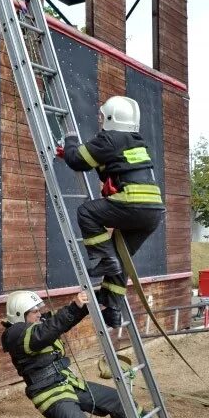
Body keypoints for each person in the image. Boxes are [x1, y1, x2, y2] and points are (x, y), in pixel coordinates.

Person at [1, 290, 146, 418]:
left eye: (39, 310)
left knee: (117, 399)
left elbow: (59, 321)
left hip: (69, 383)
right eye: (34, 312)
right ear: (19, 315)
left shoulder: (38, 324)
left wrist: (95, 297)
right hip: (50, 394)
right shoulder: (15, 334)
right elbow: (48, 330)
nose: (39, 315)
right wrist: (74, 307)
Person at [58, 96, 165, 328]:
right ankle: (112, 310)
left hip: (133, 202)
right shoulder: (135, 141)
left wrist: (70, 140)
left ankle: (104, 259)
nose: (98, 119)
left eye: (101, 115)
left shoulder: (109, 137)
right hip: (153, 211)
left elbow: (77, 159)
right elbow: (109, 162)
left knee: (87, 213)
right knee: (121, 256)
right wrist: (69, 153)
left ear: (109, 117)